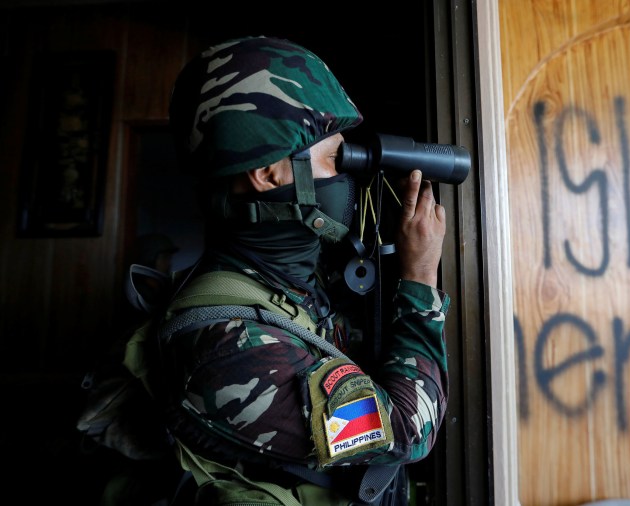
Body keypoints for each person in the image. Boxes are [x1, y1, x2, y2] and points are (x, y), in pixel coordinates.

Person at [155, 35, 450, 505]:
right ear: (269, 172)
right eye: (334, 158)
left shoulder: (277, 284)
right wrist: (420, 280)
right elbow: (407, 431)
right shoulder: (233, 346)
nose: (345, 175)